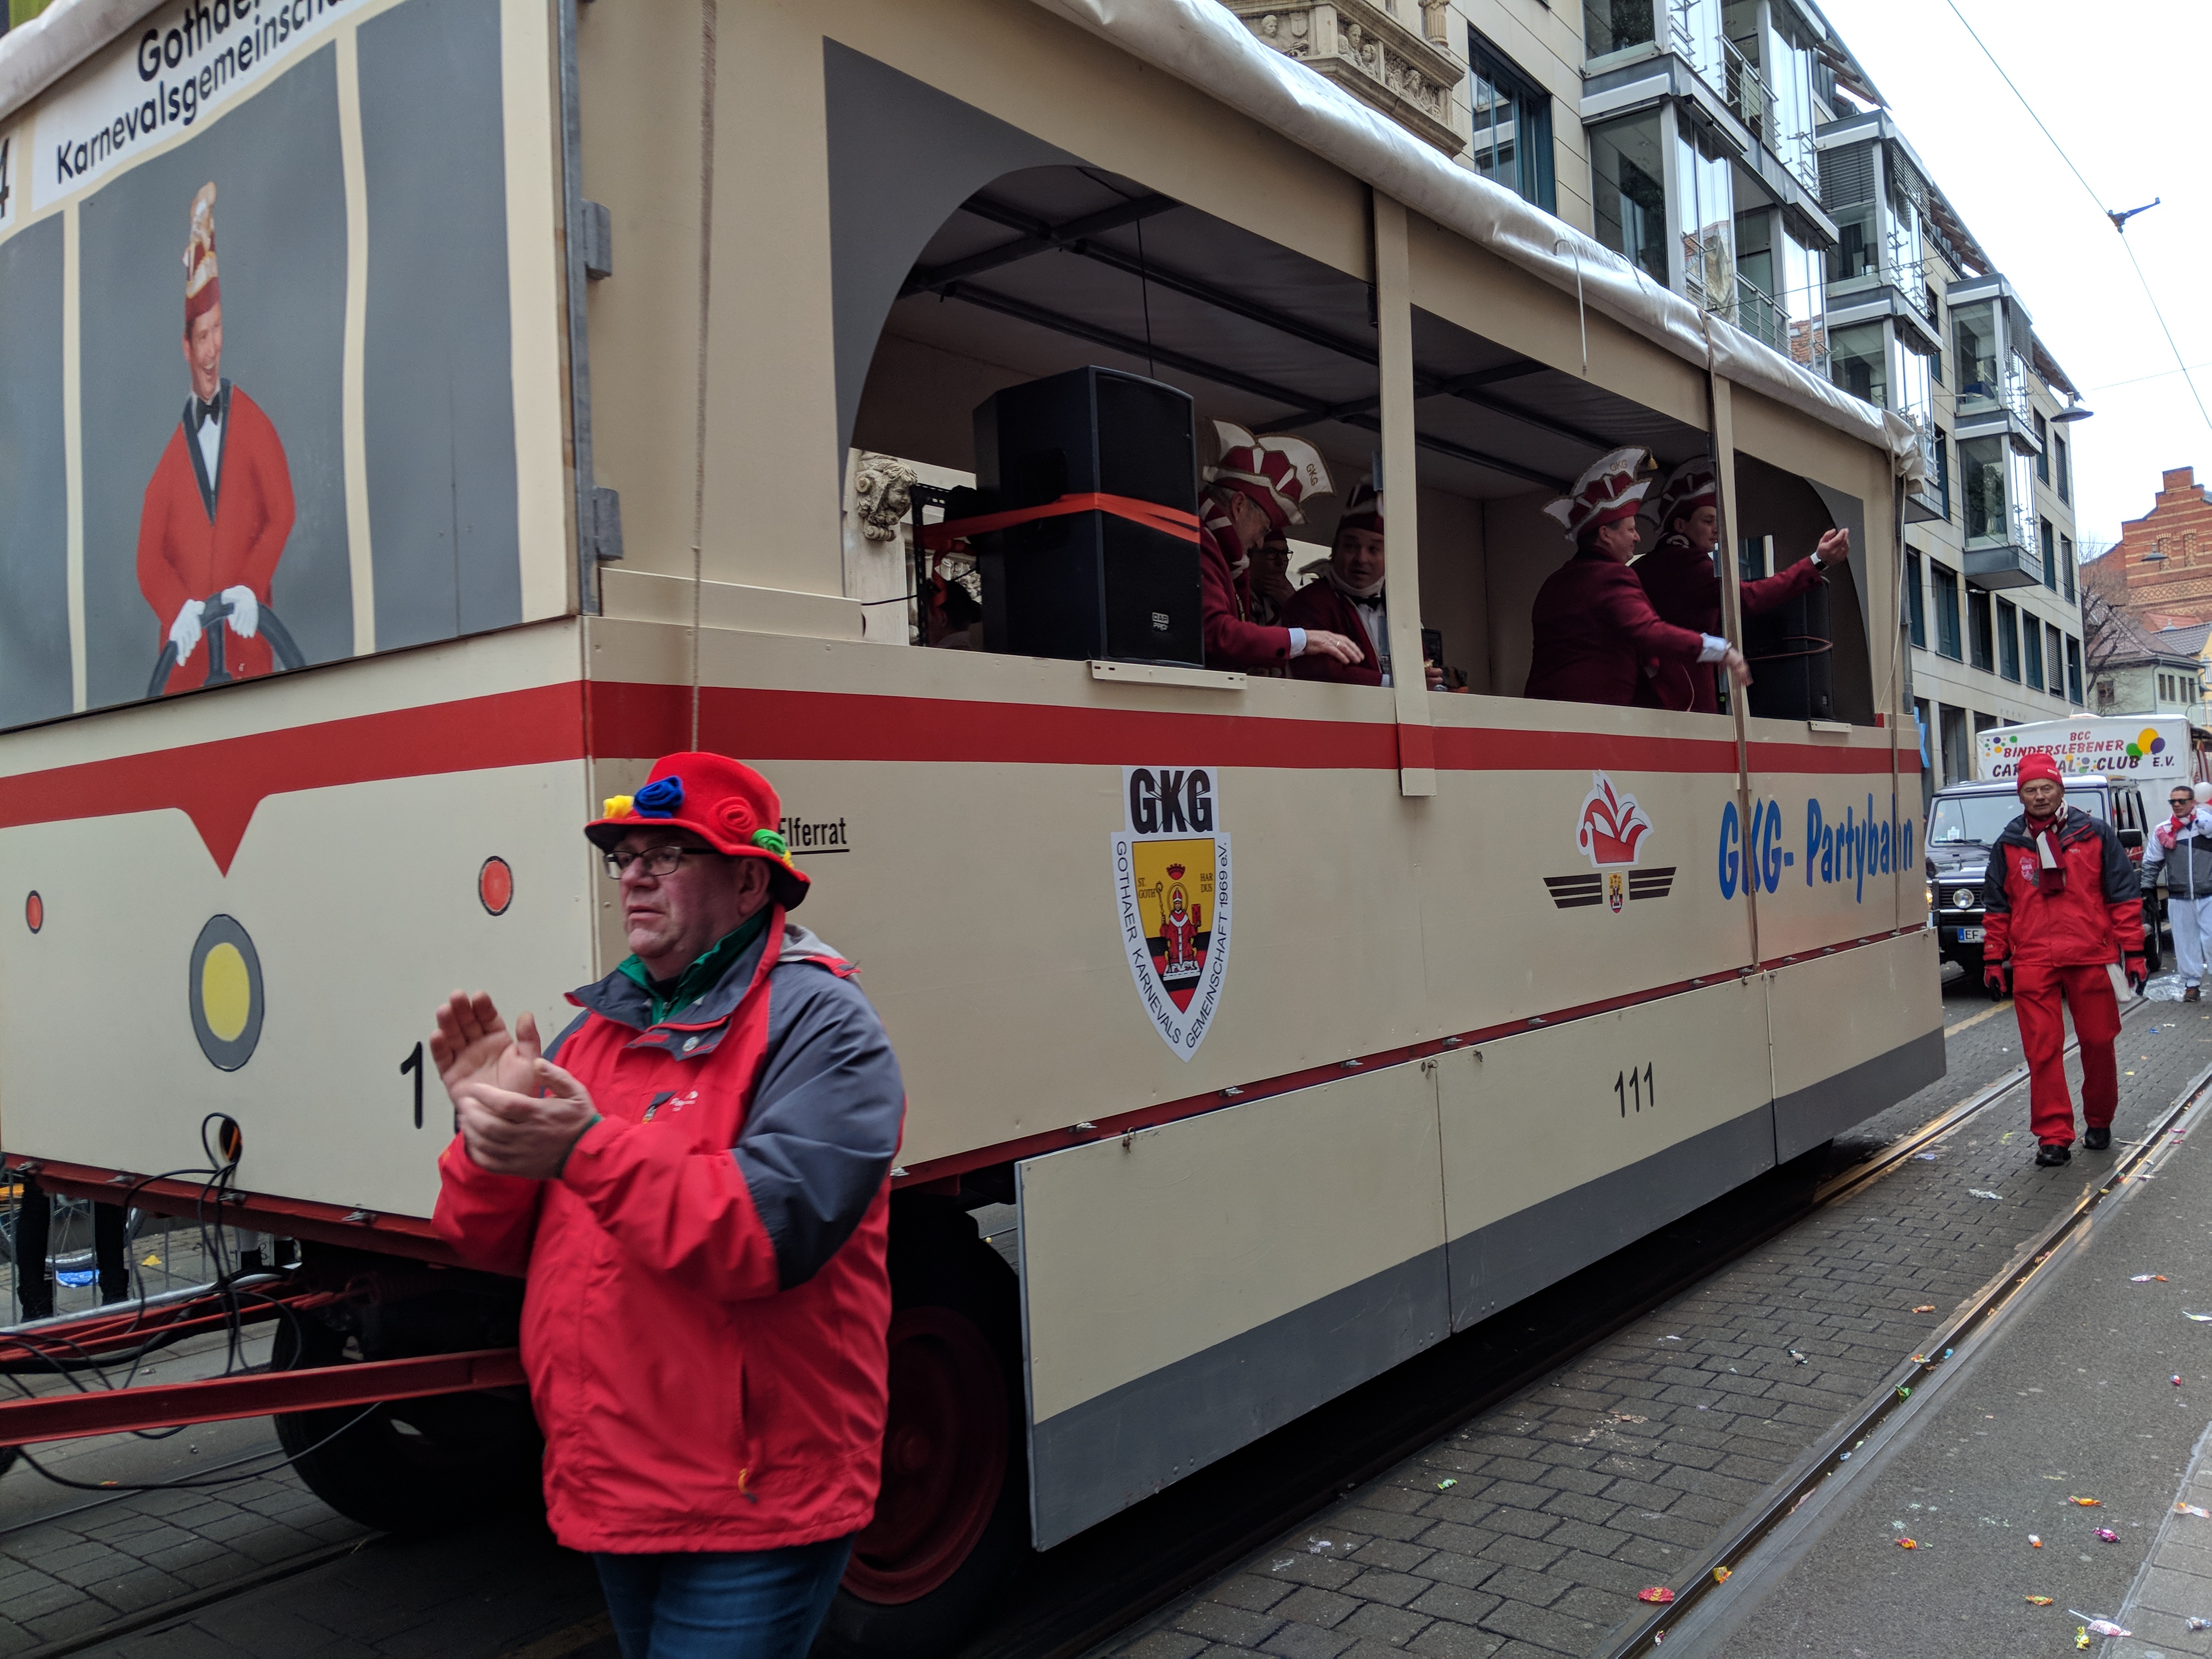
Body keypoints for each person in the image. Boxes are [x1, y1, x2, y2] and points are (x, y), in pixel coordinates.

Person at [432, 753, 905, 1658]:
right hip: (616, 1482)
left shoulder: (824, 1023)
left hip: (757, 1494)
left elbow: (762, 1233)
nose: (634, 876)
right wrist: (489, 1139)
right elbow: (481, 1239)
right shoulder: (594, 1029)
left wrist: (580, 1148)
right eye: (626, 857)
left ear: (749, 881)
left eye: (667, 854)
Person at [136, 182, 296, 697]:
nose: (212, 350)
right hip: (186, 681)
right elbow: (148, 558)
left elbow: (282, 511)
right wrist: (176, 609)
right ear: (186, 347)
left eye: (218, 330)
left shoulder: (252, 422)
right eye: (202, 337)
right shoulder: (169, 462)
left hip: (249, 665)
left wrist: (250, 586)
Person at [1978, 752, 2145, 1166]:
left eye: (2046, 788)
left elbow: (2124, 897)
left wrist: (2135, 953)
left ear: (2060, 789)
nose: (2039, 796)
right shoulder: (2008, 843)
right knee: (2042, 1051)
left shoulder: (2095, 833)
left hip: (2091, 955)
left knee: (2098, 1042)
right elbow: (1997, 908)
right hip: (2034, 959)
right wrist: (1994, 959)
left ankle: (2100, 1119)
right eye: (2030, 790)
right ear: (2020, 795)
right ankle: (2053, 1138)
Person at [1523, 447, 1751, 707]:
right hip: (1593, 714)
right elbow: (1649, 631)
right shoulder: (1612, 576)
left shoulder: (1553, 582)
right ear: (1606, 534)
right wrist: (1718, 649)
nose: (1638, 537)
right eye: (1631, 529)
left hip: (1541, 710)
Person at [1632, 460, 1847, 713]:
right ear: (1680, 525)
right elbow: (1747, 598)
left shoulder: (1642, 566)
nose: (1716, 530)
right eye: (1707, 521)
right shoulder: (1687, 564)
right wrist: (1816, 562)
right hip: (1684, 694)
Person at [1199, 421, 1362, 673]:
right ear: (1239, 506)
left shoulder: (1212, 545)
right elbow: (1215, 633)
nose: (1260, 543)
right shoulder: (1201, 543)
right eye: (1264, 528)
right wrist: (1302, 640)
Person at [1283, 478, 1445, 689]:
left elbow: (1419, 666)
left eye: (1374, 549)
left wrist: (1431, 681)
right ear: (1335, 551)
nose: (1362, 559)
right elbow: (1321, 671)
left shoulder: (1399, 609)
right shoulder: (1309, 601)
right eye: (1351, 546)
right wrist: (1398, 684)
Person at [2145, 780, 2212, 1002]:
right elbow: (2152, 862)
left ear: (2193, 802)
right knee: (2185, 942)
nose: (2176, 805)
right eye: (2173, 801)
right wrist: (2147, 889)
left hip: (2209, 893)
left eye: (2182, 801)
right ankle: (2191, 985)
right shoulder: (2164, 830)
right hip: (2179, 895)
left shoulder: (2207, 826)